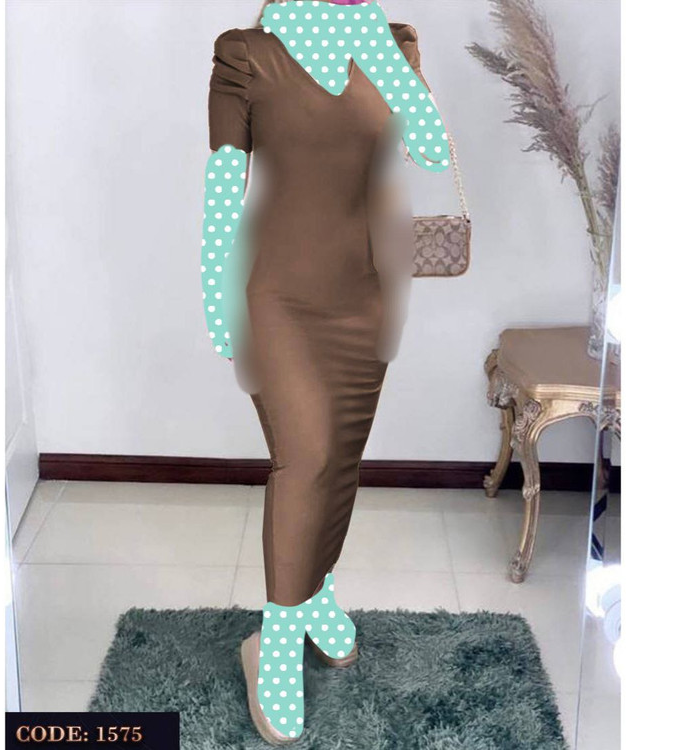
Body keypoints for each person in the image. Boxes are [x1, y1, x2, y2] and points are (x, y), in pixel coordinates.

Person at [201, 0, 449, 741]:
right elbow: (225, 176)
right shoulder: (246, 53)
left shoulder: (393, 43)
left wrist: (377, 48)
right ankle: (275, 639)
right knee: (305, 458)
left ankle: (316, 593)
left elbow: (431, 150)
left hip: (364, 297)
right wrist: (214, 290)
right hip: (275, 294)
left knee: (340, 460)